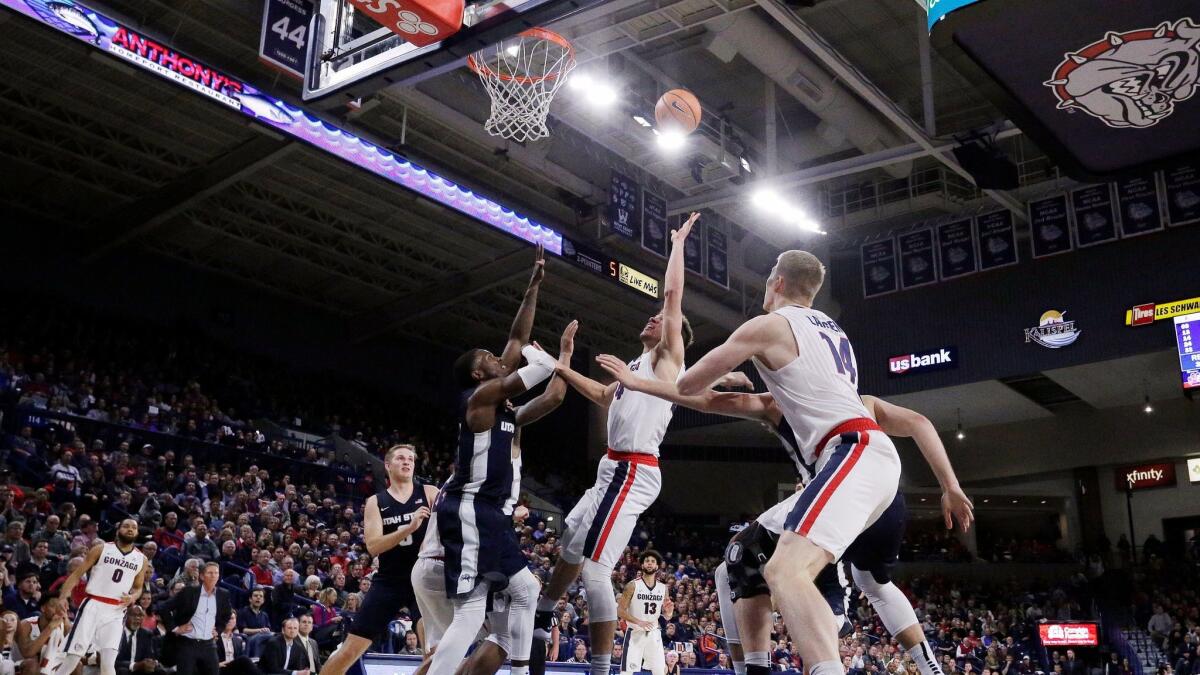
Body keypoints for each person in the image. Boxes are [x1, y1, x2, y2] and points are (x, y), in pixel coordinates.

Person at [671, 250, 905, 675]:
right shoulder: (833, 330)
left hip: (850, 451)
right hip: (858, 459)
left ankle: (828, 644)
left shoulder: (769, 325)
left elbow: (689, 386)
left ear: (776, 282)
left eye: (766, 278)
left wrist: (717, 376)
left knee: (786, 570)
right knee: (750, 558)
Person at [534, 213, 704, 675]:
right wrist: (562, 361)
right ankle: (543, 615)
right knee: (569, 541)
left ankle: (603, 668)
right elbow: (602, 395)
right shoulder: (634, 365)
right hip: (611, 469)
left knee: (593, 570)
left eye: (661, 319)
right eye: (653, 318)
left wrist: (678, 244)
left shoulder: (668, 357)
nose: (653, 318)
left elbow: (671, 296)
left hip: (634, 470)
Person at [424, 246, 568, 675]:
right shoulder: (482, 398)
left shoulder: (504, 406)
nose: (497, 357)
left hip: (491, 515)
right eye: (488, 358)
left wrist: (533, 287)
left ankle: (521, 670)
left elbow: (519, 341)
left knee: (525, 591)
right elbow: (534, 366)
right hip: (469, 509)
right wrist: (557, 356)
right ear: (477, 373)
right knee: (470, 614)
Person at [320, 445, 437, 675]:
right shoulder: (376, 501)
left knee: (434, 652)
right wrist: (408, 528)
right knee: (349, 650)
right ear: (387, 465)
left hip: (423, 580)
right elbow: (373, 547)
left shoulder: (430, 492)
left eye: (411, 459)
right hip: (389, 581)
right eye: (401, 458)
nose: (407, 462)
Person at [56, 518, 150, 675]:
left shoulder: (142, 559)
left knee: (108, 663)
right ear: (118, 530)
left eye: (134, 527)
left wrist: (133, 598)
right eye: (126, 526)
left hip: (116, 611)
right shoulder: (101, 549)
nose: (130, 529)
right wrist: (63, 597)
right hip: (93, 605)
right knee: (73, 656)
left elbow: (138, 588)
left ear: (137, 532)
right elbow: (77, 574)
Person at [157, 562, 233, 675]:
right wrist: (175, 628)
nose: (214, 575)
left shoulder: (223, 594)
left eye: (216, 573)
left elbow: (227, 614)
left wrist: (218, 629)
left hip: (209, 645)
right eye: (210, 573)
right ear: (202, 576)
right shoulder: (188, 592)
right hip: (187, 644)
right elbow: (164, 608)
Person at [617, 551, 672, 675]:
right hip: (635, 633)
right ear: (642, 565)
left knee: (660, 671)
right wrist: (638, 621)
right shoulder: (632, 585)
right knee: (626, 672)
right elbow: (620, 611)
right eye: (647, 561)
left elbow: (668, 616)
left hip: (654, 634)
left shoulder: (663, 588)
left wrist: (669, 612)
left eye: (653, 562)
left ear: (657, 566)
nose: (650, 564)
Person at [15, 595, 71, 675]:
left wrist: (66, 625)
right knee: (32, 665)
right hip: (21, 665)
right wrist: (50, 627)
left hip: (50, 665)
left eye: (61, 607)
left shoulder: (65, 625)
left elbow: (75, 652)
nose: (58, 611)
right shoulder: (26, 624)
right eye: (54, 606)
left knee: (74, 664)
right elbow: (27, 653)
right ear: (43, 608)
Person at [114, 605, 162, 675]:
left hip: (140, 669)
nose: (137, 618)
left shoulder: (146, 634)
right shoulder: (117, 633)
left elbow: (149, 656)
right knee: (123, 671)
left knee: (160, 671)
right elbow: (113, 661)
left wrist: (151, 662)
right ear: (126, 616)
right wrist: (134, 665)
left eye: (140, 616)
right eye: (134, 615)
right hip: (122, 668)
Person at [0, 610, 18, 675]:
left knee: (8, 665)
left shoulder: (21, 644)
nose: (9, 622)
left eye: (12, 620)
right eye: (5, 620)